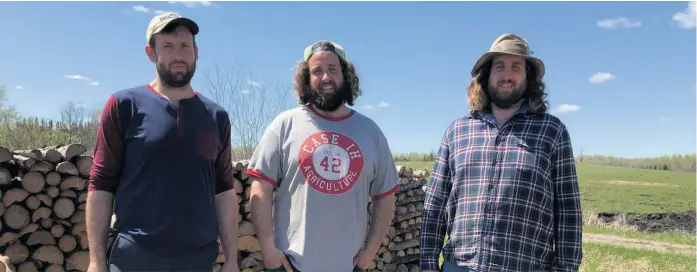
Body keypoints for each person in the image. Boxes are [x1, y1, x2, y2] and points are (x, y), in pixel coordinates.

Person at [85, 12, 239, 272]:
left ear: (196, 51)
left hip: (198, 260)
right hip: (135, 258)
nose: (178, 55)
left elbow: (223, 190)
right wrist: (96, 260)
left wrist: (232, 260)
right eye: (167, 46)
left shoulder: (217, 116)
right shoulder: (124, 105)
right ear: (151, 53)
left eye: (184, 46)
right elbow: (101, 182)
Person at [419, 33, 583, 272]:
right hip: (461, 267)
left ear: (528, 77)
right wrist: (427, 264)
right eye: (499, 67)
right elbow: (435, 205)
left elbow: (568, 211)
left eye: (516, 67)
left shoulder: (552, 131)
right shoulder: (457, 132)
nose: (507, 75)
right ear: (486, 76)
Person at [246, 40, 400, 272]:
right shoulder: (285, 125)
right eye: (317, 71)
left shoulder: (370, 132)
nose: (326, 77)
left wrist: (368, 254)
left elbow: (386, 197)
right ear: (306, 78)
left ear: (345, 76)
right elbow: (260, 187)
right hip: (290, 265)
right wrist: (268, 250)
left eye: (333, 70)